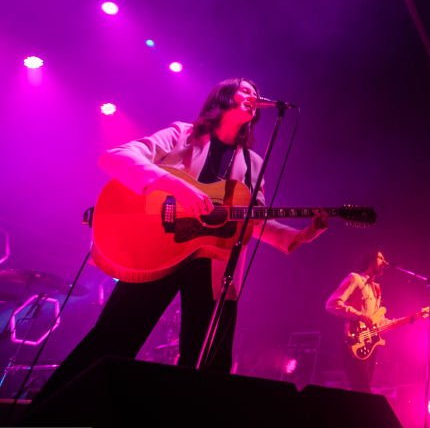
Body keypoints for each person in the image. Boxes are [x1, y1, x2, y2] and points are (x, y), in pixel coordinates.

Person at [34, 77, 329, 401]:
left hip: (214, 263)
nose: (253, 95)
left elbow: (250, 220)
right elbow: (117, 156)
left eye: (256, 93)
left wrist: (299, 234)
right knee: (115, 337)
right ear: (223, 96)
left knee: (210, 359)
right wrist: (176, 186)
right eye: (245, 89)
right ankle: (44, 419)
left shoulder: (252, 163)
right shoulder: (182, 134)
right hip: (158, 247)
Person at [325, 249, 388, 392]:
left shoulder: (377, 289)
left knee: (364, 390)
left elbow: (376, 321)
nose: (384, 262)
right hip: (353, 342)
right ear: (371, 260)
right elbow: (332, 304)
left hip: (370, 346)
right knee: (362, 390)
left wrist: (410, 319)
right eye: (380, 258)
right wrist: (359, 315)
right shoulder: (355, 278)